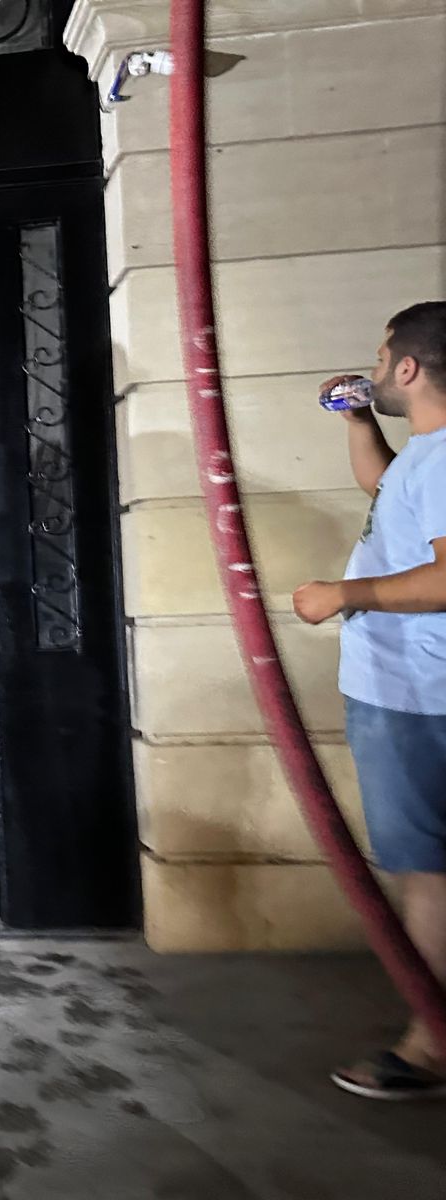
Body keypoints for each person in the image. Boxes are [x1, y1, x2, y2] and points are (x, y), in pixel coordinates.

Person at [292, 301, 446, 1101]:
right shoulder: (427, 455)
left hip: (422, 694)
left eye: (382, 361)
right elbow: (385, 487)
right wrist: (356, 418)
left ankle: (432, 1044)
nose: (374, 370)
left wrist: (343, 593)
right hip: (411, 691)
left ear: (411, 369)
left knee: (427, 872)